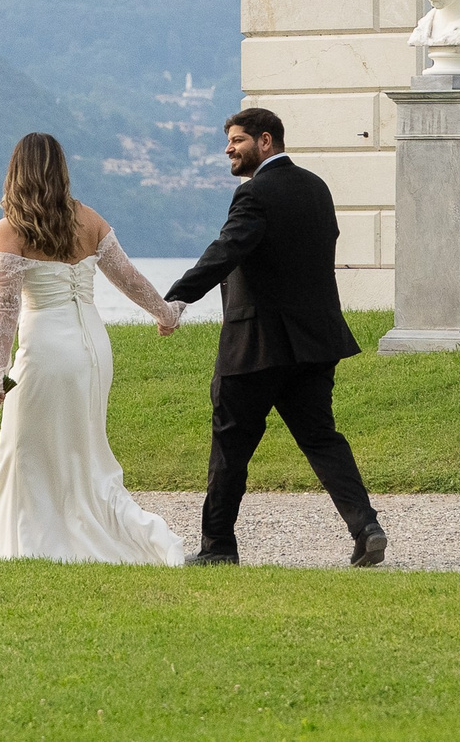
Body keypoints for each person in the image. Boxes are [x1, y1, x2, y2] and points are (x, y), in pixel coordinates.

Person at [164, 107, 385, 568]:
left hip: (257, 345)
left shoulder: (254, 194)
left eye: (237, 140)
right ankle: (367, 528)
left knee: (230, 444)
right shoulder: (316, 187)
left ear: (266, 141)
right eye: (228, 140)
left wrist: (177, 298)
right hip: (315, 341)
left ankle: (218, 547)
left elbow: (228, 249)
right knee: (322, 438)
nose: (228, 148)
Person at [0, 131, 189, 564]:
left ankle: (38, 543)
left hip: (46, 351)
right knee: (85, 450)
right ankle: (116, 532)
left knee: (26, 449)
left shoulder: (10, 230)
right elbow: (127, 277)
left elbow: (6, 309)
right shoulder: (89, 219)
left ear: (16, 170)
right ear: (61, 169)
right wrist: (164, 313)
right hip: (93, 349)